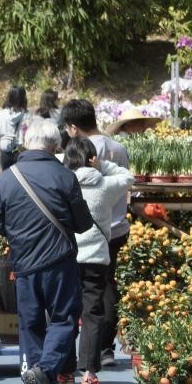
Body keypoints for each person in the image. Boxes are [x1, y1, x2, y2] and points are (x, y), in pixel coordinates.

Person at [0, 119, 94, 384]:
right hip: (59, 261)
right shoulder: (64, 177)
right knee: (64, 319)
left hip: (23, 263)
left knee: (30, 323)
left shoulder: (6, 178)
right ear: (55, 146)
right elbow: (83, 224)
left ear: (26, 143)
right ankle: (46, 373)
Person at [60, 98, 130, 368]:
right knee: (106, 290)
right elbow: (126, 179)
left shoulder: (78, 155)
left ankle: (68, 365)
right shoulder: (118, 147)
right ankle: (104, 348)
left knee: (74, 301)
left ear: (75, 128)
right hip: (113, 228)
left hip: (80, 237)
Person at [0, 85, 30, 171]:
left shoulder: (2, 114)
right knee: (21, 177)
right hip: (20, 151)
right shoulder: (26, 115)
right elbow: (27, 134)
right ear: (23, 98)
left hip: (5, 150)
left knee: (6, 176)